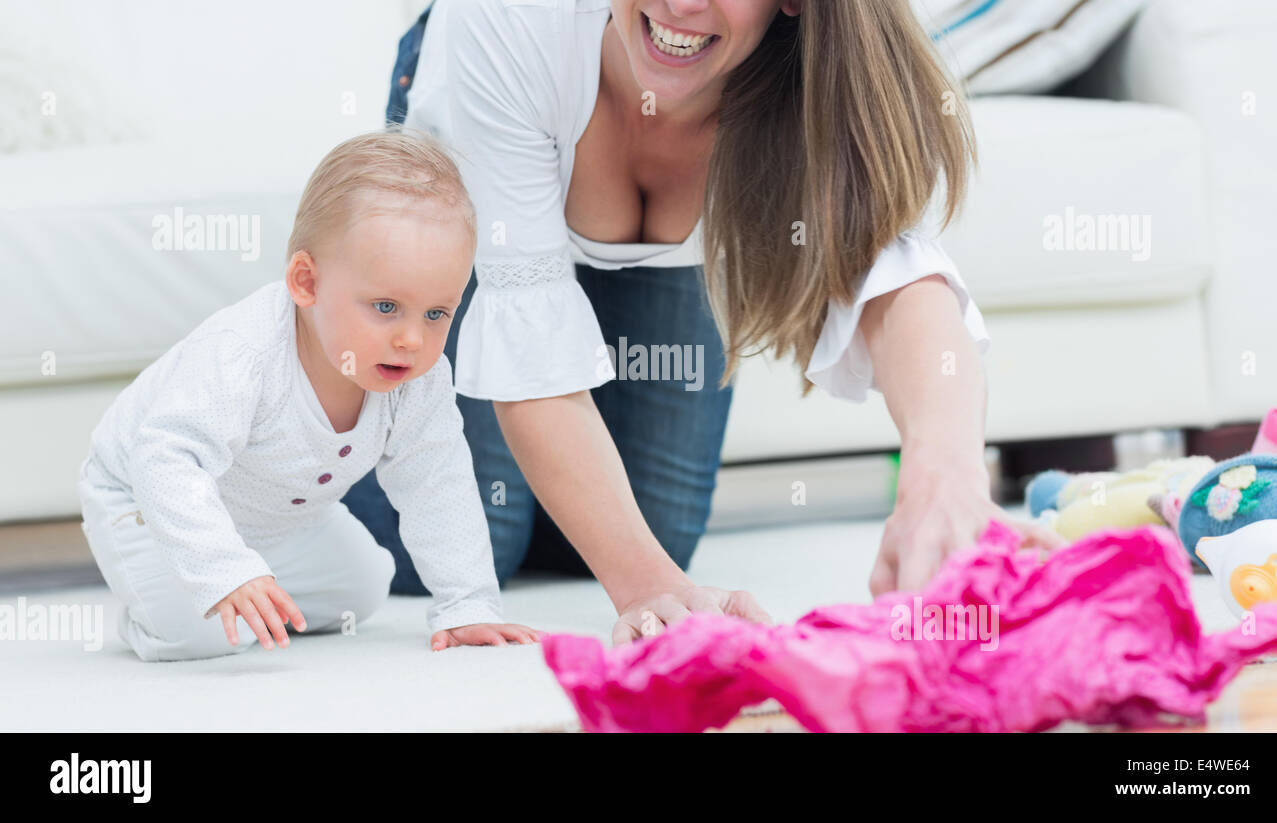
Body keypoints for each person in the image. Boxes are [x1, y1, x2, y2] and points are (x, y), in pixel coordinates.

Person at [345, 0, 1062, 644]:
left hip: (650, 224)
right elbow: (530, 350)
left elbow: (894, 281)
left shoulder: (824, 58)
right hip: (486, 154)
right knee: (472, 542)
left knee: (654, 532)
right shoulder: (508, 20)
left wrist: (945, 478)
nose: (681, 4)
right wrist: (642, 585)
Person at [77, 131, 538, 661]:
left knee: (363, 587)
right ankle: (152, 612)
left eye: (437, 314)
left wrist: (468, 605)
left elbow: (439, 482)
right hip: (145, 496)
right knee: (199, 635)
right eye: (386, 307)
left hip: (277, 520)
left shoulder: (418, 377)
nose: (412, 339)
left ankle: (255, 586)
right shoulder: (245, 353)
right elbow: (165, 459)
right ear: (305, 282)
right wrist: (225, 570)